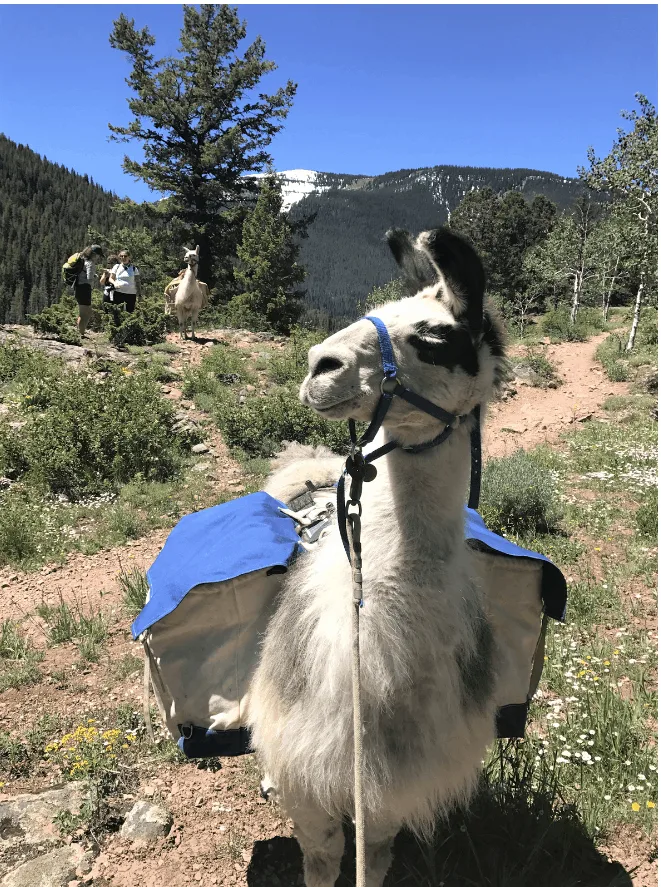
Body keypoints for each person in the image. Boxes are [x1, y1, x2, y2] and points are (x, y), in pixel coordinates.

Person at [74, 244, 105, 336]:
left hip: (78, 287)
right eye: (98, 255)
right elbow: (89, 278)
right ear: (94, 254)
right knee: (85, 313)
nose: (98, 258)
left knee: (84, 312)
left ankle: (80, 332)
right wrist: (96, 277)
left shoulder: (82, 259)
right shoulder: (90, 263)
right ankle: (81, 334)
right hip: (84, 288)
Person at [109, 249, 141, 314]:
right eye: (121, 256)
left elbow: (137, 282)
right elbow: (111, 278)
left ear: (129, 257)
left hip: (131, 294)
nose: (123, 258)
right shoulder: (116, 267)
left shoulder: (134, 268)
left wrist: (139, 294)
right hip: (118, 293)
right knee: (118, 312)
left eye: (125, 256)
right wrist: (114, 283)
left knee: (130, 312)